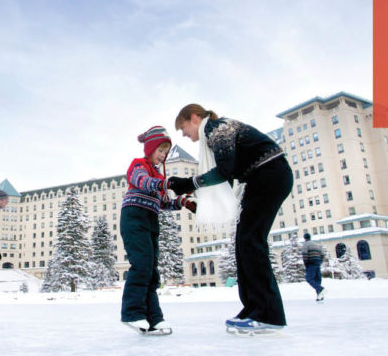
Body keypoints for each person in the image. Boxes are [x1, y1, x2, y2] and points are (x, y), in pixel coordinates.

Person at [168, 104, 293, 334]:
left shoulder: (218, 129)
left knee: (251, 241)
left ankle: (267, 314)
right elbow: (227, 182)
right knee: (244, 243)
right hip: (262, 178)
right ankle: (254, 307)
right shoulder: (215, 133)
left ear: (194, 118)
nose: (184, 135)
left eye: (183, 128)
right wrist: (199, 201)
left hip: (269, 174)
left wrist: (188, 183)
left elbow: (224, 172)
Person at [121, 126, 196, 334]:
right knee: (142, 264)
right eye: (160, 151)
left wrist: (183, 202)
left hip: (151, 220)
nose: (162, 156)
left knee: (152, 270)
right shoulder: (139, 166)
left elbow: (164, 203)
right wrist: (167, 183)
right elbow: (143, 183)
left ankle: (154, 319)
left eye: (165, 152)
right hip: (134, 217)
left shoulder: (157, 175)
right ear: (150, 148)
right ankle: (132, 312)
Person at [301, 233, 325, 301]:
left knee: (309, 278)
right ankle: (320, 296)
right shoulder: (316, 244)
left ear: (305, 238)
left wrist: (306, 263)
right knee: (317, 279)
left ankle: (320, 289)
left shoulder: (305, 245)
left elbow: (304, 255)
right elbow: (323, 254)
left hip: (311, 263)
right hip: (317, 263)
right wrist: (320, 262)